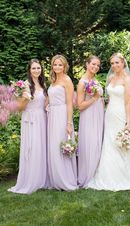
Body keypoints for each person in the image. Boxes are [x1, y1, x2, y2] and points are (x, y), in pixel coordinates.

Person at [87, 53, 130, 191]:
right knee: (109, 143)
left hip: (121, 114)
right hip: (109, 114)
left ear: (123, 63)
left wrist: (128, 122)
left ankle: (125, 176)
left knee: (120, 143)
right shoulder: (111, 78)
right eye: (112, 63)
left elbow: (128, 103)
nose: (114, 65)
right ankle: (107, 175)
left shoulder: (127, 80)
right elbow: (108, 98)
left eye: (117, 62)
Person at [8, 59, 48, 194]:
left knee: (41, 147)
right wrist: (25, 98)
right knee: (32, 148)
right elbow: (20, 108)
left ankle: (41, 178)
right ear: (29, 70)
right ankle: (31, 180)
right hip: (30, 119)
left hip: (42, 118)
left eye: (38, 68)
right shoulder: (25, 85)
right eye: (34, 68)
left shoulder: (43, 84)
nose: (36, 70)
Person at [47, 54, 77, 191]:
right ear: (52, 66)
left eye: (60, 64)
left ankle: (66, 179)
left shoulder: (67, 80)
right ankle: (55, 179)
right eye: (55, 64)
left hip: (62, 115)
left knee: (61, 145)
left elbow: (70, 103)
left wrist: (69, 123)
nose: (57, 67)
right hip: (52, 116)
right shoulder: (52, 80)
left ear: (64, 66)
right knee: (53, 146)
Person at [77, 55, 104, 187]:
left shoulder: (94, 79)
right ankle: (87, 175)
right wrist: (95, 99)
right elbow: (80, 106)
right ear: (87, 64)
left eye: (98, 65)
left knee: (97, 143)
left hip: (98, 115)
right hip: (88, 116)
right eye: (93, 64)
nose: (95, 67)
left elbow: (100, 98)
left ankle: (96, 173)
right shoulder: (82, 82)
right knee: (90, 143)